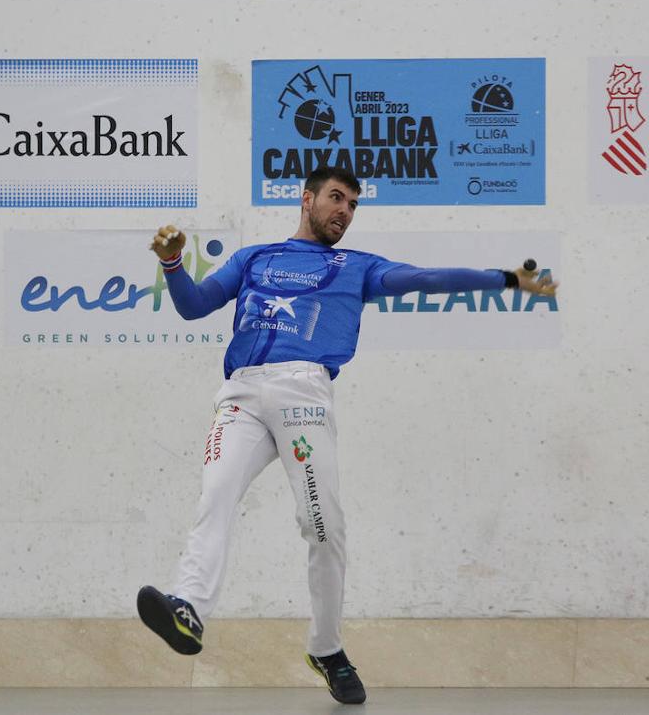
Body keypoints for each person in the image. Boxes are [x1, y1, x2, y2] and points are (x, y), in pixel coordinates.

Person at [136, 166, 556, 704]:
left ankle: (327, 648)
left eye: (354, 205)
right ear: (306, 199)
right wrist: (172, 263)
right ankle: (189, 608)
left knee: (323, 529)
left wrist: (503, 279)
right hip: (239, 394)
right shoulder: (254, 259)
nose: (345, 211)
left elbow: (426, 280)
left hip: (303, 396)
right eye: (336, 198)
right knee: (214, 499)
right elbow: (194, 306)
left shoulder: (356, 267)